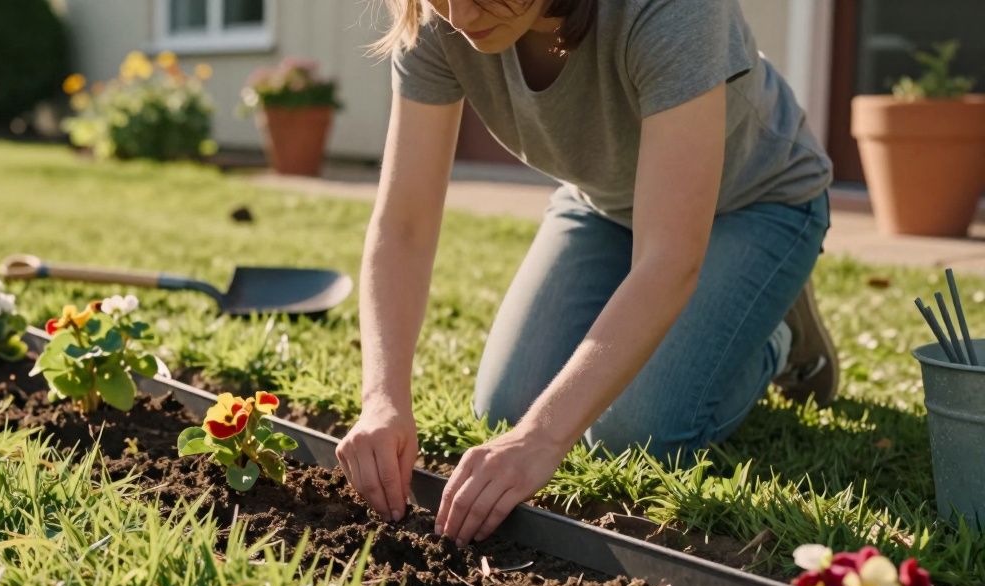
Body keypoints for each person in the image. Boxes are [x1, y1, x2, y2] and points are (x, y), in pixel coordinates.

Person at [335, 0, 836, 546]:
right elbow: (404, 223)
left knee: (633, 435)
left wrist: (542, 439)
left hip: (758, 202)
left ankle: (778, 332)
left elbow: (667, 258)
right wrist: (381, 397)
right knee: (507, 411)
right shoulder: (436, 16)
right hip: (606, 206)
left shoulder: (673, 9)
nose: (457, 12)